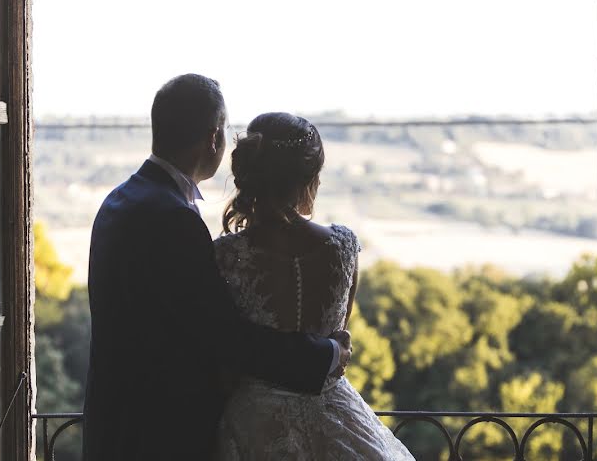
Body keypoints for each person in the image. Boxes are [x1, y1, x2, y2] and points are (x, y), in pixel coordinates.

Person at [82, 75, 351, 460]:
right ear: (213, 138)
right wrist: (323, 354)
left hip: (117, 423)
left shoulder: (122, 199)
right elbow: (222, 336)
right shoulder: (173, 218)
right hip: (158, 435)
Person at [213, 112, 415, 460]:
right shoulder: (343, 246)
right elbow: (340, 341)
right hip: (335, 419)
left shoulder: (225, 255)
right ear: (310, 178)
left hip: (254, 424)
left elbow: (224, 353)